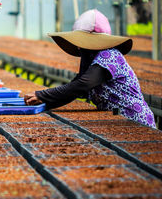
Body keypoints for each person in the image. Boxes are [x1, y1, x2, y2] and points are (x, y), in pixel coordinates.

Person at [24, 9, 156, 128]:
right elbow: (73, 90)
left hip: (134, 119)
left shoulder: (109, 55)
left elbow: (83, 84)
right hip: (117, 121)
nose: (79, 47)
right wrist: (43, 103)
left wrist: (43, 95)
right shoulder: (91, 59)